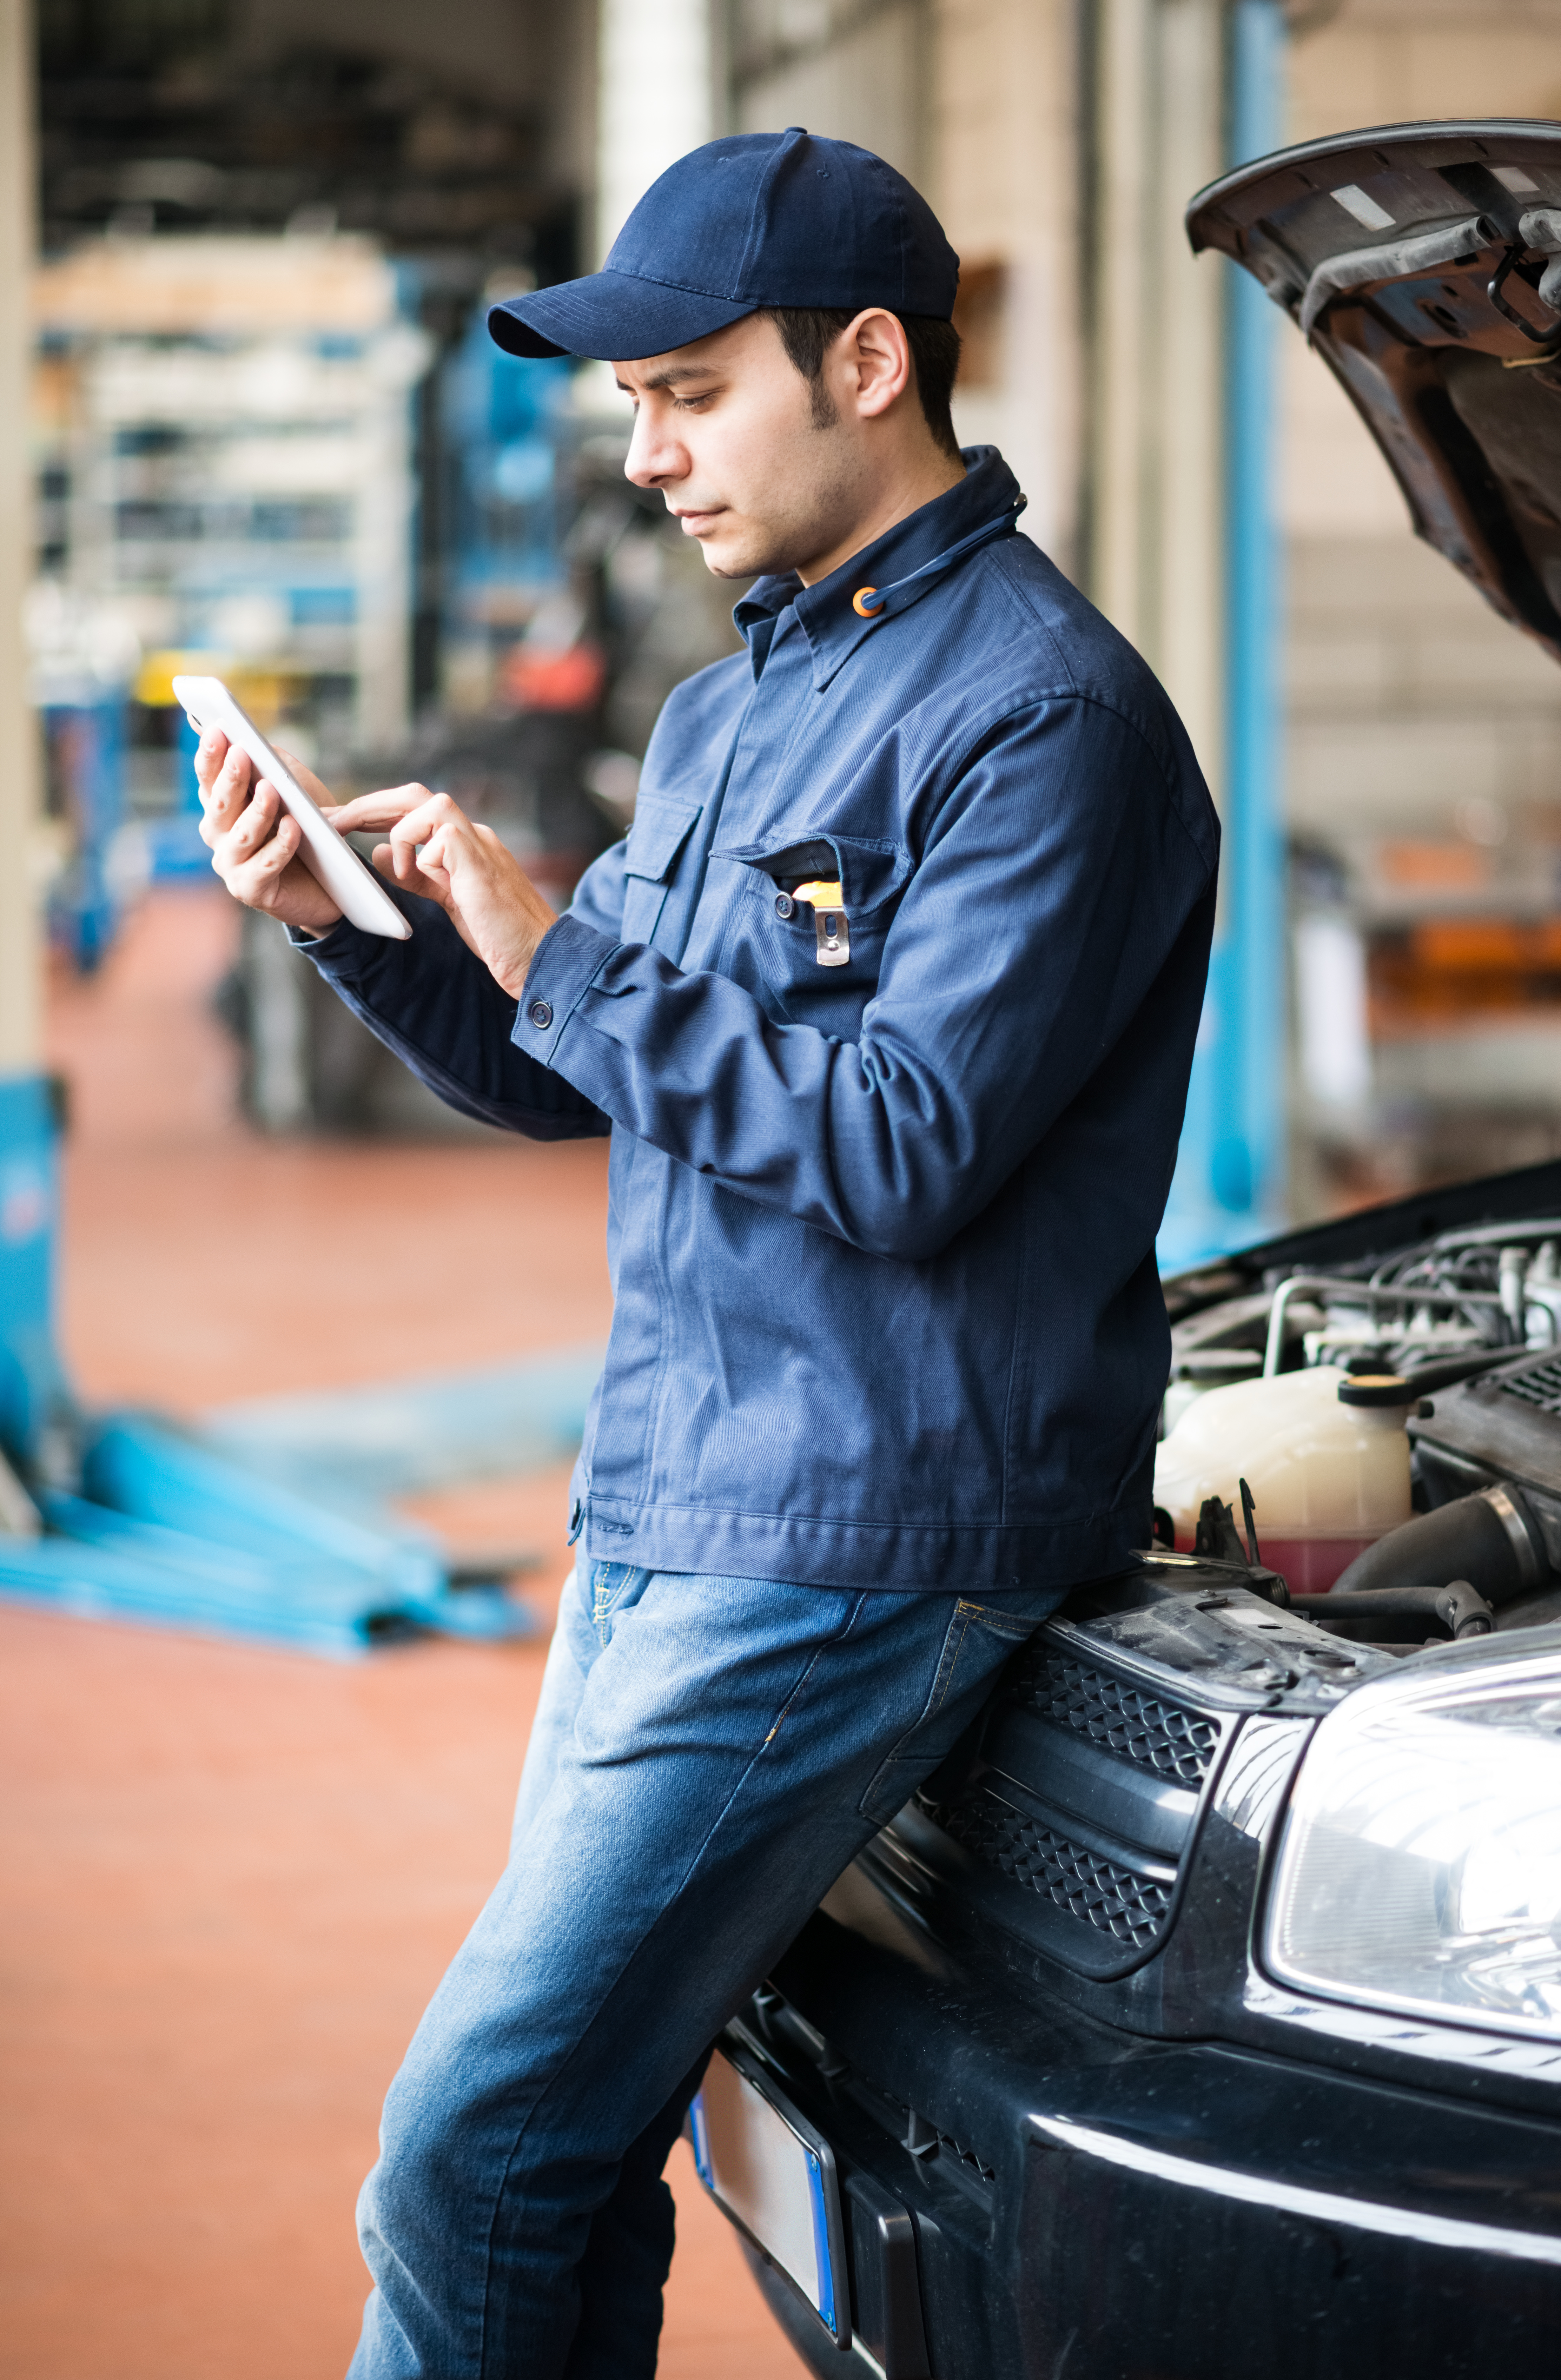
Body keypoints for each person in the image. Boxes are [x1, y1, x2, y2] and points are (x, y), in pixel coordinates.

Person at [197, 127, 1218, 2380]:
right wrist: (355, 935)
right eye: (631, 404)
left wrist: (570, 944)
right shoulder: (734, 701)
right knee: (555, 2149)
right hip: (682, 1487)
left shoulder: (1051, 726)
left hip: (863, 1526)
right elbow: (588, 1075)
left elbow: (909, 1146)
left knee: (471, 2146)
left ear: (868, 361)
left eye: (690, 391)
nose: (648, 455)